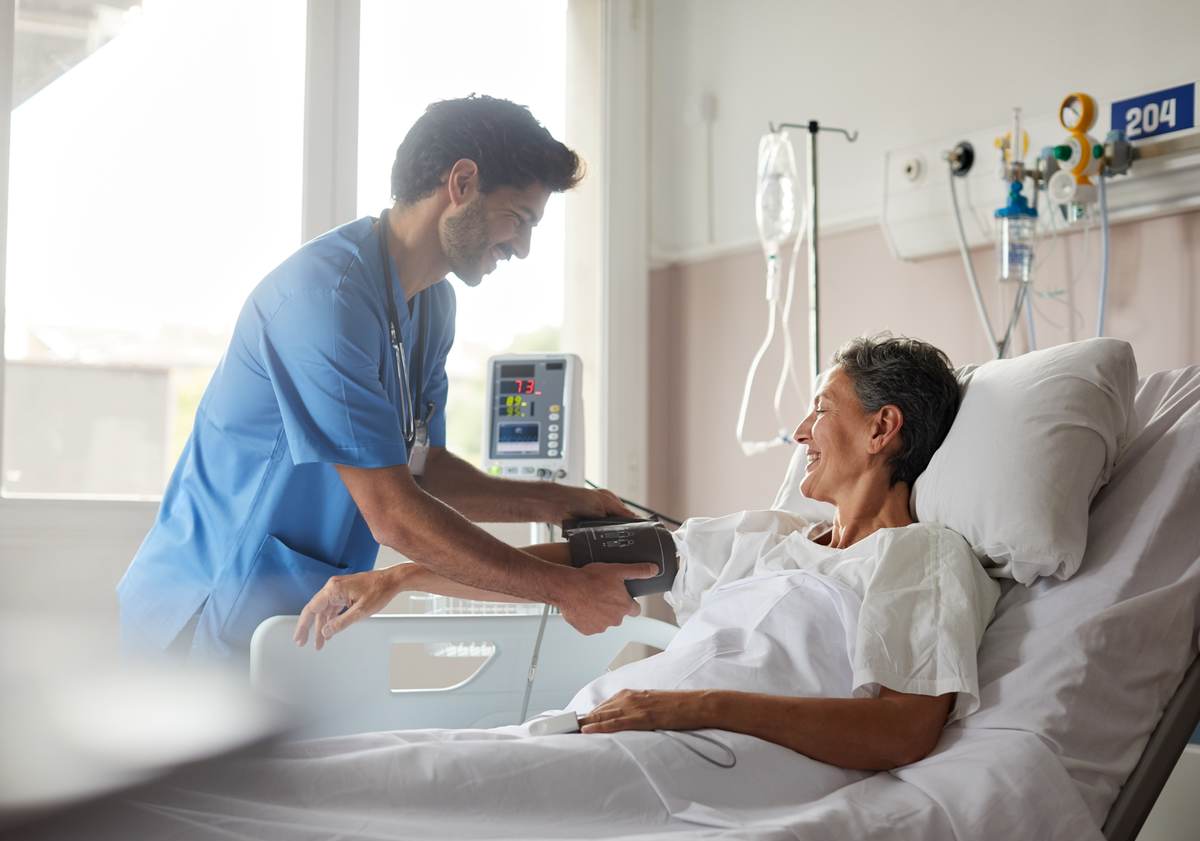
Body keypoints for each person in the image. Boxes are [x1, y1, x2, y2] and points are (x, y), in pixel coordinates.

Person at [295, 334, 1000, 770]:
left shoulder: (922, 557)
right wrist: (408, 576)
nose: (799, 431)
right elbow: (586, 564)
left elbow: (901, 732)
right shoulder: (767, 538)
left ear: (883, 429)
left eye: (821, 408)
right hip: (605, 726)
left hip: (697, 756)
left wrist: (693, 707)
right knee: (367, 769)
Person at [119, 96, 653, 659]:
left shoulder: (431, 306)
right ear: (463, 183)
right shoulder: (323, 300)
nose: (521, 247)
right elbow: (394, 513)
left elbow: (423, 472)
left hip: (291, 610)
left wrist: (559, 503)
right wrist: (565, 589)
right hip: (201, 608)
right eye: (518, 219)